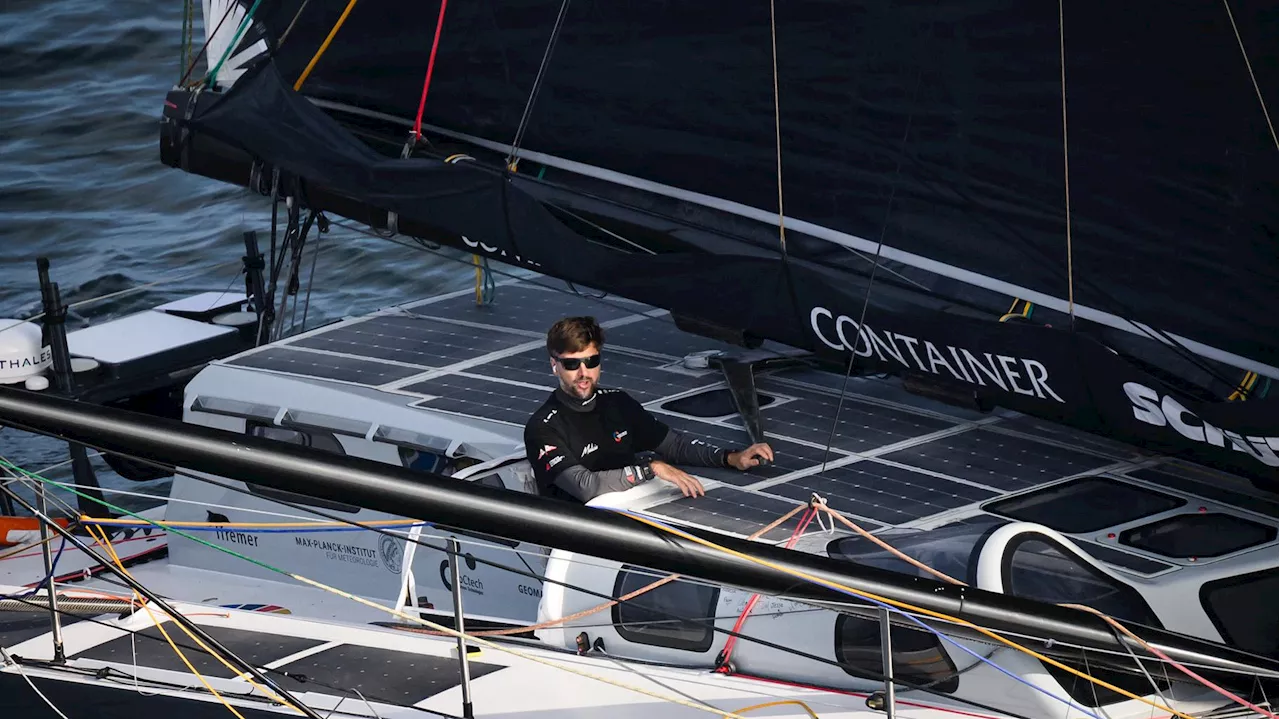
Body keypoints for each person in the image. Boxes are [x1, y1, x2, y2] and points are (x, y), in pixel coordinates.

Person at [523, 316, 775, 504]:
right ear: (554, 366)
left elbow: (673, 446)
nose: (583, 373)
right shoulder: (543, 427)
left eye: (592, 361)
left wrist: (730, 458)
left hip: (631, 513)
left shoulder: (617, 403)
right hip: (579, 538)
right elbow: (584, 486)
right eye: (571, 364)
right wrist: (650, 469)